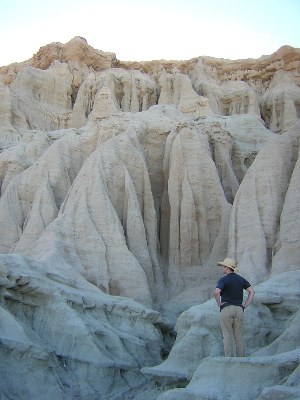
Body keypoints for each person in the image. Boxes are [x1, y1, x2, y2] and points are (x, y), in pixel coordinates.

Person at [214, 258, 254, 357]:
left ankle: (229, 359)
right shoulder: (241, 279)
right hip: (239, 309)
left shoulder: (224, 279)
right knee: (239, 336)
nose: (223, 268)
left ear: (227, 268)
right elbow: (251, 292)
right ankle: (241, 359)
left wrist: (219, 304)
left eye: (224, 266)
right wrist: (245, 305)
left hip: (227, 308)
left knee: (227, 335)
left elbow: (216, 292)